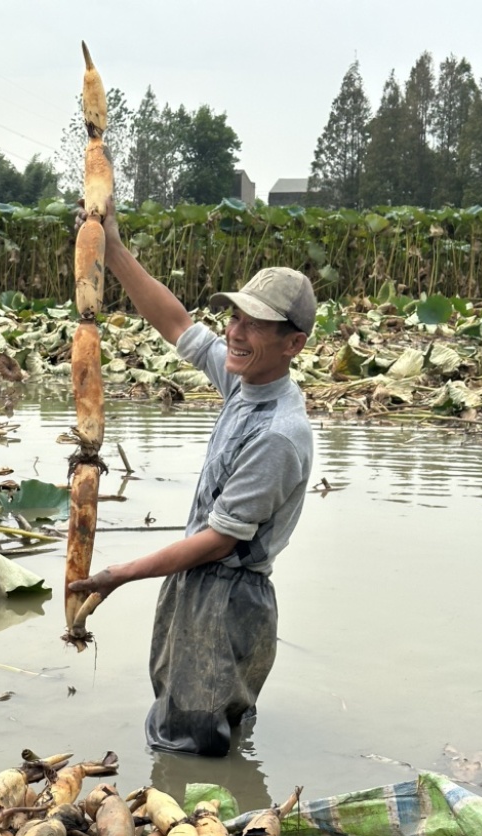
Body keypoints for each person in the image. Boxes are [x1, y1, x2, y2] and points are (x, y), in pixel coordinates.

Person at [69, 200, 315, 758]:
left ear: (292, 344)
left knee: (189, 745)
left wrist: (120, 574)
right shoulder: (246, 383)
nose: (235, 332)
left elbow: (219, 541)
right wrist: (112, 246)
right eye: (235, 317)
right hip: (201, 586)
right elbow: (176, 322)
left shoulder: (278, 433)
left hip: (227, 599)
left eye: (255, 324)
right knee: (198, 730)